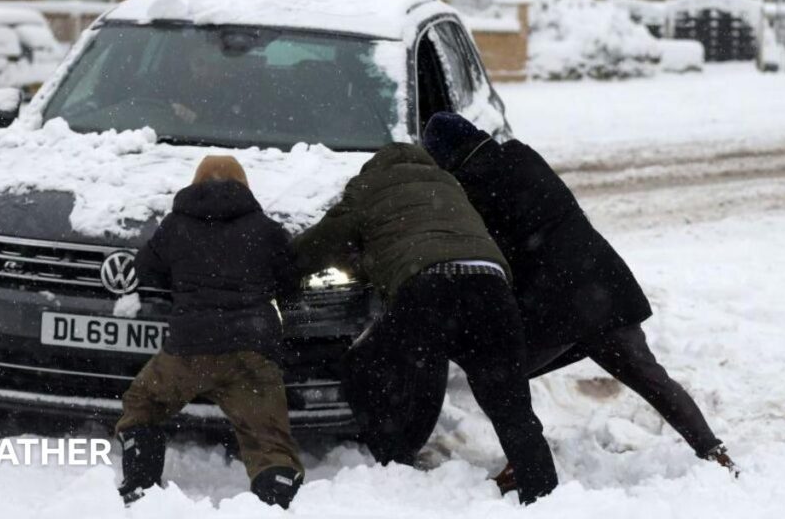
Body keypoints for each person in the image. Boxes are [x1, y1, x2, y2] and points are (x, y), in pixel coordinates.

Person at [421, 112, 739, 494]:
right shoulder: (522, 155)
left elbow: (491, 256)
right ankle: (714, 451)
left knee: (495, 374)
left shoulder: (471, 190)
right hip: (605, 286)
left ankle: (524, 462)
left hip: (558, 308)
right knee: (652, 379)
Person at [295, 143, 559, 505]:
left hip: (429, 286)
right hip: (492, 288)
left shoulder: (369, 186)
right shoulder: (448, 183)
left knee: (364, 365)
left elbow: (321, 243)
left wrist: (279, 265)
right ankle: (544, 493)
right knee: (510, 404)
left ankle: (394, 461)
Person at [114, 156, 304, 508]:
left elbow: (146, 269)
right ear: (244, 185)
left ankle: (141, 484)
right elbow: (292, 283)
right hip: (251, 349)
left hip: (188, 349)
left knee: (143, 404)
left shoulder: (175, 226)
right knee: (268, 437)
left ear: (195, 183)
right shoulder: (266, 229)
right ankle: (275, 490)